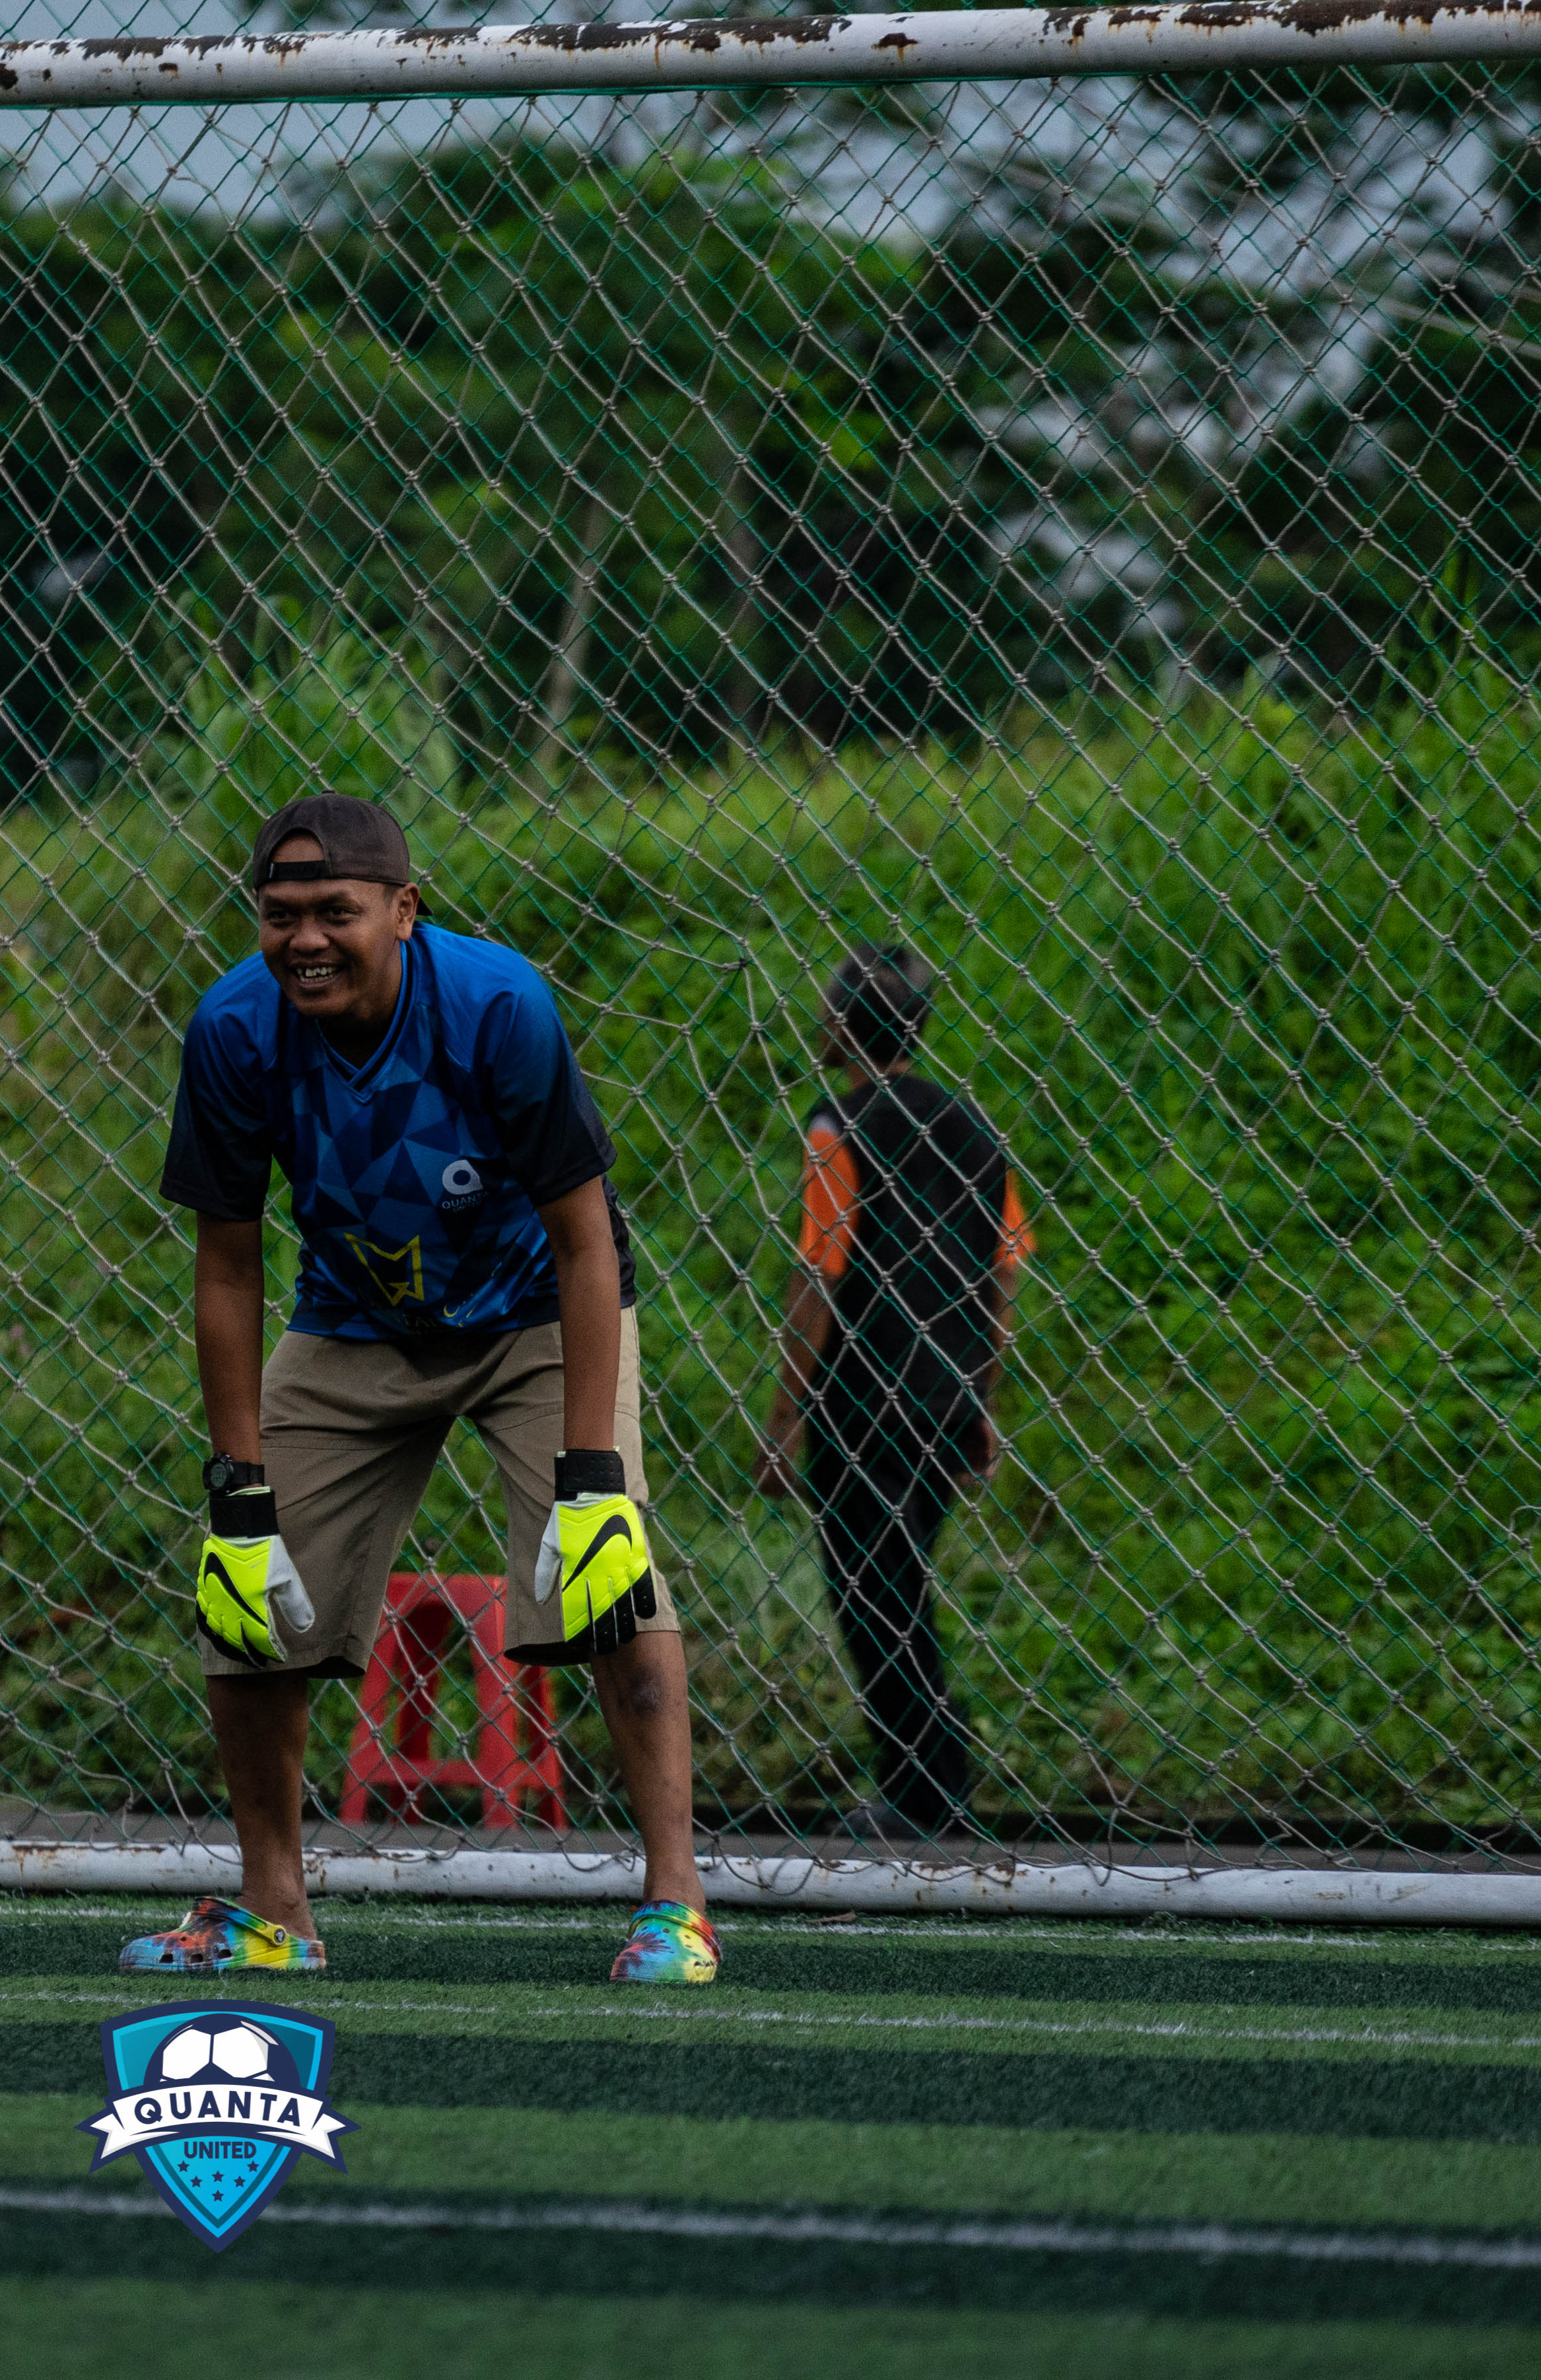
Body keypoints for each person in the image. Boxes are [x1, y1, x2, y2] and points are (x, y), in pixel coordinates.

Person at [121, 793, 720, 1986]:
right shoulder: (234, 1030)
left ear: (404, 910)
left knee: (613, 1578)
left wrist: (592, 1480)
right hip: (355, 1319)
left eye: (335, 912)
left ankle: (678, 1906)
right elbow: (227, 1268)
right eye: (280, 915)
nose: (305, 940)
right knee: (249, 1601)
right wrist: (238, 1494)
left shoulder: (498, 1006)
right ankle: (274, 1914)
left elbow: (586, 1239)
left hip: (535, 1310)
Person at [766, 944, 1027, 1843]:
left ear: (840, 1028)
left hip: (862, 1403)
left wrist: (785, 1420)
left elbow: (819, 1279)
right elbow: (1003, 1275)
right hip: (947, 1397)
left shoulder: (836, 1128)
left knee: (871, 1594)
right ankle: (931, 1784)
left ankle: (928, 1793)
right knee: (900, 1584)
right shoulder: (974, 1125)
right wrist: (983, 1400)